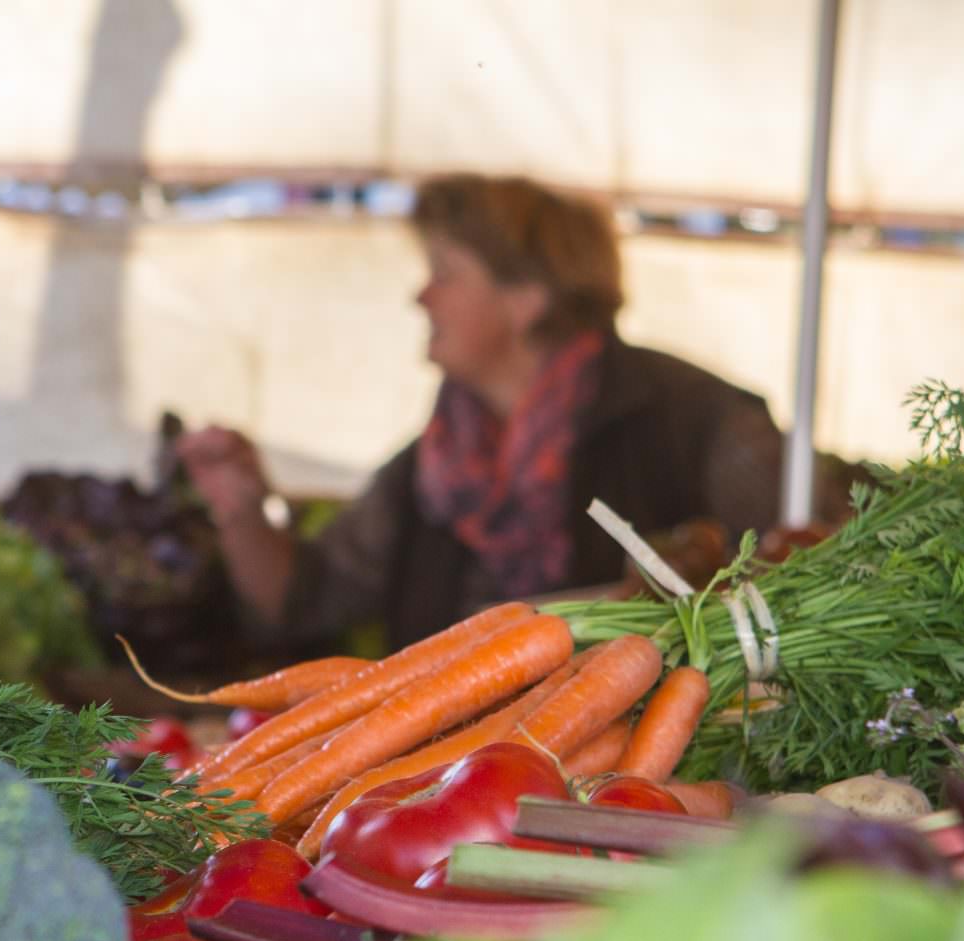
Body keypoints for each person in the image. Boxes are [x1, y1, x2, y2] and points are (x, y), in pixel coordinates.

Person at [175, 173, 786, 650]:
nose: (420, 296)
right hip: (453, 779)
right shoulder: (435, 463)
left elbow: (813, 558)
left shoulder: (694, 420)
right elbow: (299, 604)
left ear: (526, 297)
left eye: (443, 272)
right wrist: (241, 505)